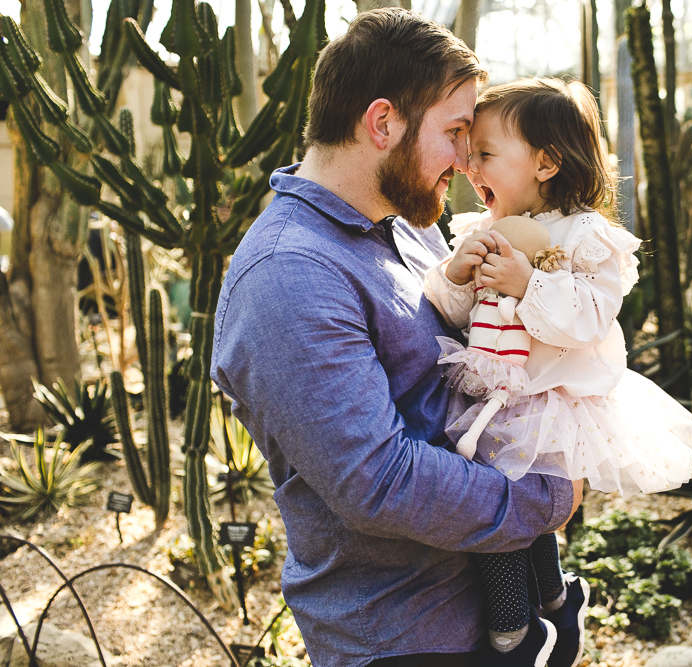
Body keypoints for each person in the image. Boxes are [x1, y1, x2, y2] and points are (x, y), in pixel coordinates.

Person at [210, 11, 582, 667]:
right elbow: (379, 481)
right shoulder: (288, 276)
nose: (468, 160)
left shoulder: (405, 224)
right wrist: (544, 495)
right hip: (411, 637)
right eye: (455, 133)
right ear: (382, 123)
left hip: (489, 600)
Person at [423, 78, 692, 667]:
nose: (467, 165)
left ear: (546, 162)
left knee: (506, 508)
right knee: (512, 507)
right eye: (468, 151)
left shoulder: (586, 237)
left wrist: (528, 283)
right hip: (492, 395)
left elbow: (588, 318)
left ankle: (514, 626)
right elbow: (452, 317)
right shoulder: (481, 232)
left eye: (484, 153)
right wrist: (455, 275)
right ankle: (554, 597)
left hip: (550, 401)